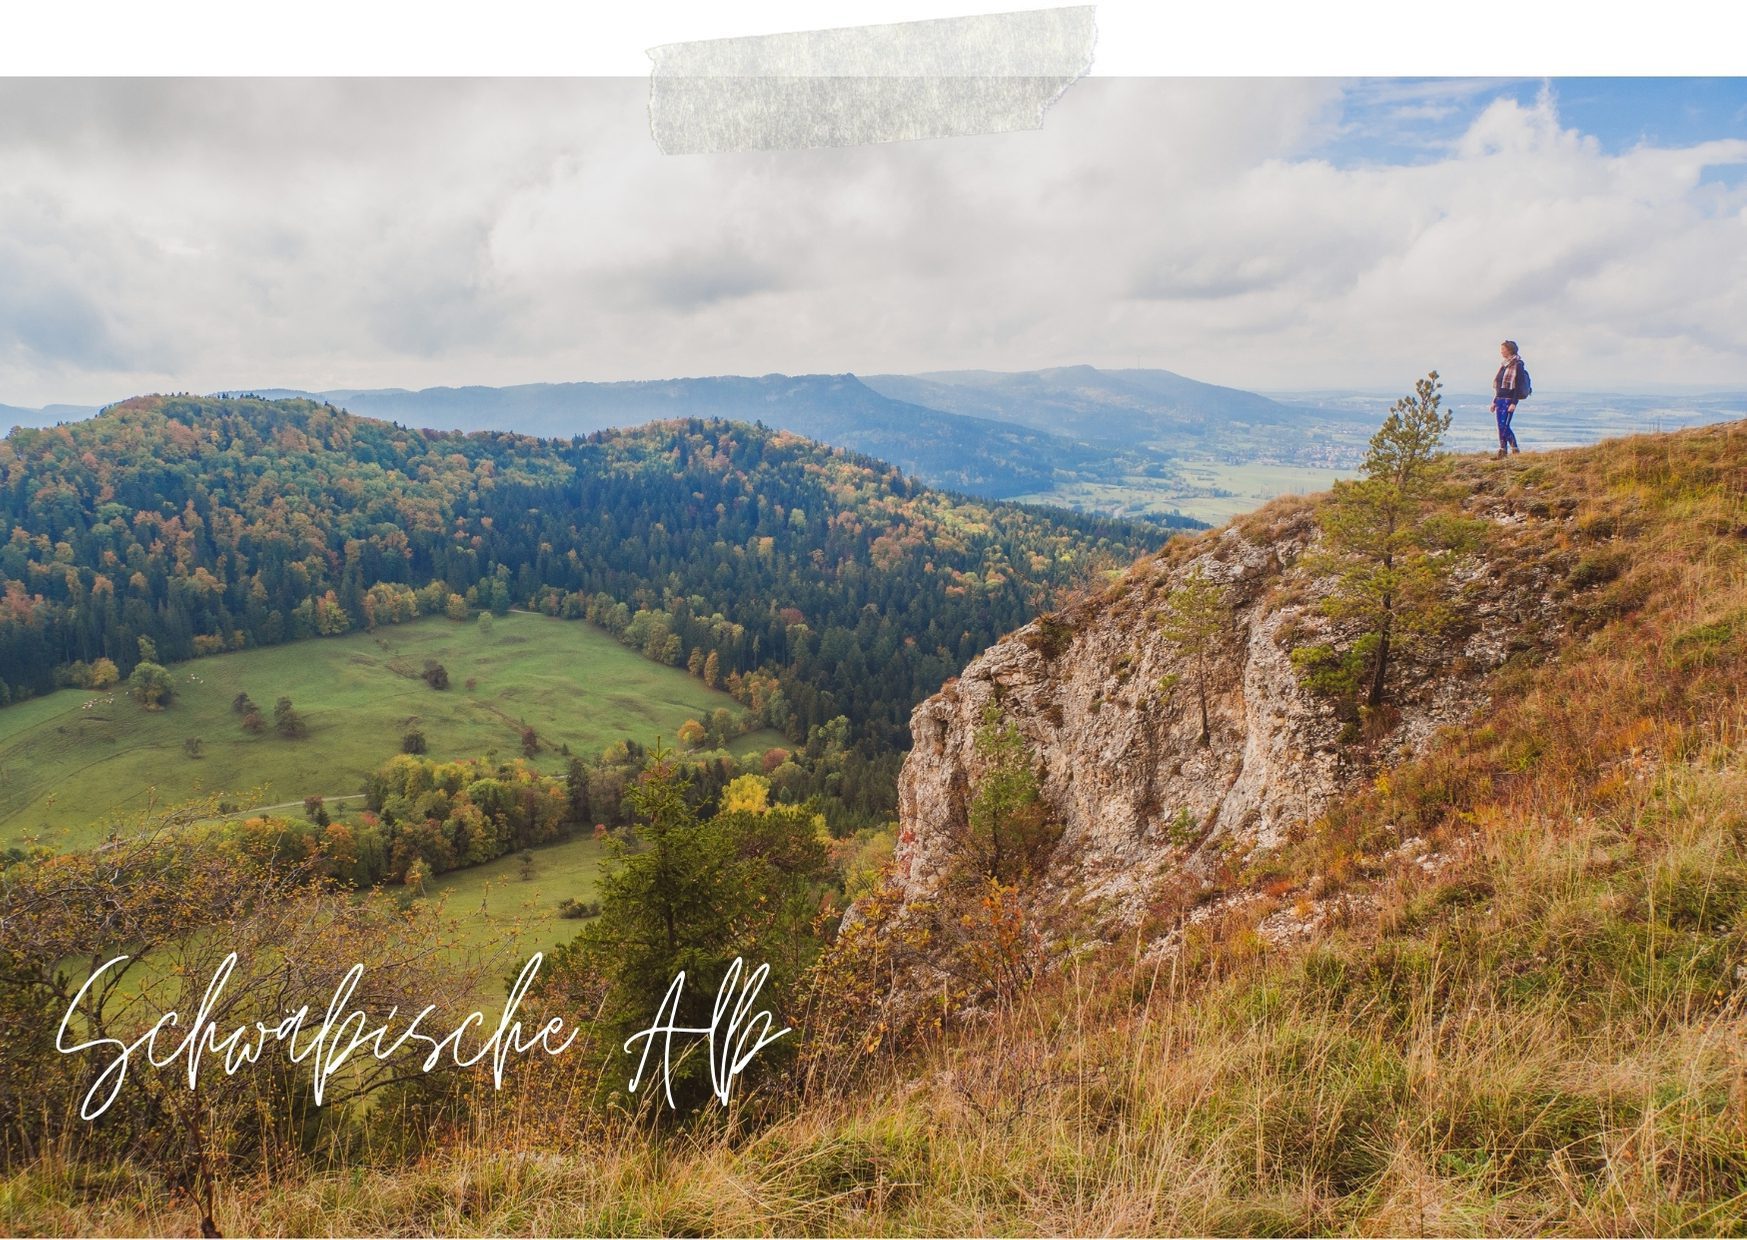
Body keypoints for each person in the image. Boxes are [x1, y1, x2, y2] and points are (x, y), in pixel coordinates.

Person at [1492, 340, 1526, 458]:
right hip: (1500, 399)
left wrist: (1514, 402)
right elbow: (1499, 384)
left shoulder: (1518, 364)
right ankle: (1503, 450)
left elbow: (1519, 385)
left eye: (1503, 349)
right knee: (1500, 426)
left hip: (1508, 400)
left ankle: (1514, 449)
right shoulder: (1504, 365)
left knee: (1504, 426)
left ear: (1509, 350)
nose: (1501, 352)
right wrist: (1494, 400)